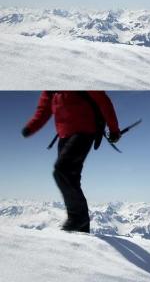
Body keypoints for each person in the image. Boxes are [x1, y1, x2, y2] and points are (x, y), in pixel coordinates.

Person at [21, 91, 120, 233]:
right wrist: (31, 127)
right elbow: (43, 111)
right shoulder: (50, 89)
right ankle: (82, 230)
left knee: (62, 170)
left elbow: (103, 101)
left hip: (85, 131)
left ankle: (77, 218)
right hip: (63, 136)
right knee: (71, 178)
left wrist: (114, 129)